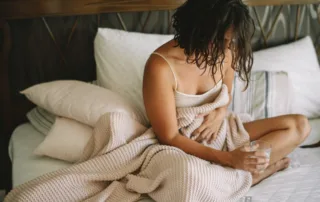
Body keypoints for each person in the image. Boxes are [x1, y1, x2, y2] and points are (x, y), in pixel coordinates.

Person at [143, 0, 311, 185]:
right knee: (187, 180)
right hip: (185, 147)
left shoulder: (226, 52)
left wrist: (219, 112)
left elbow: (226, 95)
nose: (226, 48)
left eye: (231, 40)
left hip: (222, 132)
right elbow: (169, 137)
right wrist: (229, 158)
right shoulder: (160, 67)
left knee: (299, 126)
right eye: (220, 39)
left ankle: (235, 175)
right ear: (197, 27)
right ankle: (249, 176)